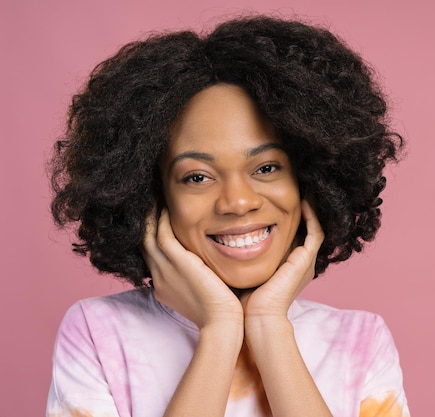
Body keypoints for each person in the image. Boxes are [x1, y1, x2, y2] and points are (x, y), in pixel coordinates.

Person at [47, 15, 409, 417]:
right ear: (152, 196)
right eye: (197, 176)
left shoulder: (360, 343)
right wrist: (219, 330)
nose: (237, 202)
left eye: (267, 168)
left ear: (310, 180)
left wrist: (270, 325)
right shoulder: (98, 334)